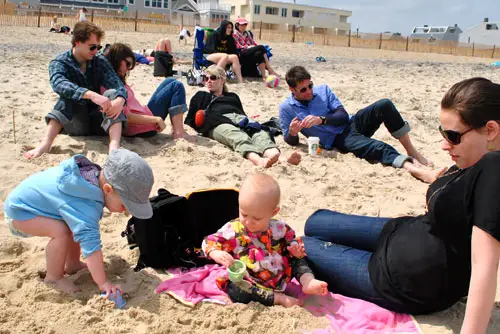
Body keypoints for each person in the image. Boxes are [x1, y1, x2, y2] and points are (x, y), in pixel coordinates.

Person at [302, 77, 500, 332]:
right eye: (442, 133)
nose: (443, 144)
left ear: (491, 130)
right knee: (314, 222)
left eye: (453, 136)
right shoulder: (479, 158)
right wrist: (429, 177)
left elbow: (486, 265)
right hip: (403, 232)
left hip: (402, 280)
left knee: (300, 244)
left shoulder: (494, 170)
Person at [4, 148, 154, 295]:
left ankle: (72, 264)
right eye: (124, 205)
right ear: (107, 189)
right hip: (21, 211)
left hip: (28, 202)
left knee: (73, 225)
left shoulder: (90, 178)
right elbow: (91, 247)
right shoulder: (86, 204)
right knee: (61, 232)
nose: (126, 211)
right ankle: (54, 278)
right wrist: (103, 282)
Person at [279, 66, 438, 183]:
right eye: (303, 89)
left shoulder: (323, 90)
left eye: (310, 85)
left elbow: (342, 116)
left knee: (384, 105)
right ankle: (416, 170)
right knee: (377, 147)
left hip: (351, 123)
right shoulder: (287, 108)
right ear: (292, 89)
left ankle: (412, 151)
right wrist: (293, 133)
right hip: (336, 140)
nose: (309, 91)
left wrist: (322, 119)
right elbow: (290, 140)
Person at [202, 172, 328, 307]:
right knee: (235, 289)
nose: (249, 222)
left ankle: (308, 281)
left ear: (273, 213)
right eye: (244, 214)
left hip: (282, 274)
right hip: (252, 281)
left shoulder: (279, 228)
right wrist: (216, 253)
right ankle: (278, 299)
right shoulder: (232, 229)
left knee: (299, 261)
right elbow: (208, 241)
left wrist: (296, 250)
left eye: (257, 218)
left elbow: (292, 241)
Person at [24, 21, 127, 159]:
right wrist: (90, 95)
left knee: (113, 94)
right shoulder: (60, 62)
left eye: (98, 47)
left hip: (101, 122)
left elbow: (117, 83)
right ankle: (46, 143)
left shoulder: (99, 61)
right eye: (92, 47)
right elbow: (59, 83)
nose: (96, 51)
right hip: (77, 123)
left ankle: (114, 146)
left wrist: (120, 100)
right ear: (77, 42)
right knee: (67, 96)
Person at [185, 65, 301, 167]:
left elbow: (241, 114)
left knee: (259, 132)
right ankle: (259, 161)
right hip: (216, 122)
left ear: (222, 80)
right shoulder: (201, 96)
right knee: (238, 136)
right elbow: (190, 121)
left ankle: (280, 158)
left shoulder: (232, 96)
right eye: (206, 78)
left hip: (238, 118)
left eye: (213, 78)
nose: (209, 81)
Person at [104, 43, 187, 138]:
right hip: (140, 128)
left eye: (131, 65)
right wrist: (156, 119)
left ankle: (176, 128)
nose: (128, 69)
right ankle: (179, 132)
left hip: (143, 117)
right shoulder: (112, 86)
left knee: (170, 80)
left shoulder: (114, 79)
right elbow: (127, 117)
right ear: (116, 61)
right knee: (177, 86)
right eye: (127, 64)